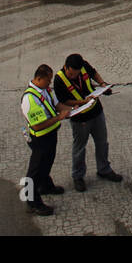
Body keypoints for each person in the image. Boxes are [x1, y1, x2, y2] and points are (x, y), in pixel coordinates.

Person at [52, 53, 123, 192]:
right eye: (72, 74)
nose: (74, 76)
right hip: (80, 118)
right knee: (79, 148)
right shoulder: (59, 80)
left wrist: (103, 84)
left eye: (77, 73)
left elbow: (94, 73)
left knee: (102, 142)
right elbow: (64, 101)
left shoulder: (83, 65)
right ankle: (78, 176)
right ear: (66, 67)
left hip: (96, 111)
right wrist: (83, 102)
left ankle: (104, 169)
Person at [21, 64, 71, 216]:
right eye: (48, 80)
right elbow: (37, 126)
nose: (50, 83)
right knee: (35, 170)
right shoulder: (29, 98)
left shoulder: (45, 90)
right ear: (39, 78)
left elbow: (57, 105)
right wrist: (59, 117)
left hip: (50, 135)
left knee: (47, 163)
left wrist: (68, 110)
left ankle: (45, 186)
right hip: (40, 139)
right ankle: (32, 201)